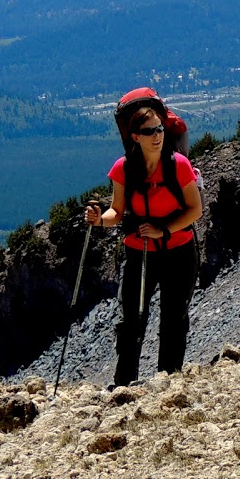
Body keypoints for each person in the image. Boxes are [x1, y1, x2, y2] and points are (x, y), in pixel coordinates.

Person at [86, 93, 203, 387]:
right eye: (150, 132)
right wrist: (99, 219)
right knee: (131, 322)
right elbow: (117, 210)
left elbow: (195, 210)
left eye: (161, 129)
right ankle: (124, 386)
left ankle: (167, 384)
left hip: (177, 250)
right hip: (141, 253)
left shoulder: (179, 165)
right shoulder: (123, 169)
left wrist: (163, 230)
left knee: (173, 320)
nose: (158, 136)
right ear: (135, 137)